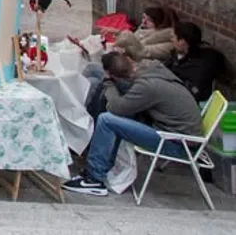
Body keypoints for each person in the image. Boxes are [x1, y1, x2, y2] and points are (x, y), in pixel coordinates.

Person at [63, 52, 202, 197]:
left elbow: (117, 108)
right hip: (181, 134)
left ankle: (94, 178)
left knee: (107, 120)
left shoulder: (146, 87)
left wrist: (109, 83)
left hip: (178, 143)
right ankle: (97, 155)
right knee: (96, 74)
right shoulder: (151, 70)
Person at [166, 21, 227, 102]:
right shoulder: (179, 54)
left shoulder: (201, 65)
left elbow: (194, 93)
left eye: (173, 37)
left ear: (182, 41)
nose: (171, 39)